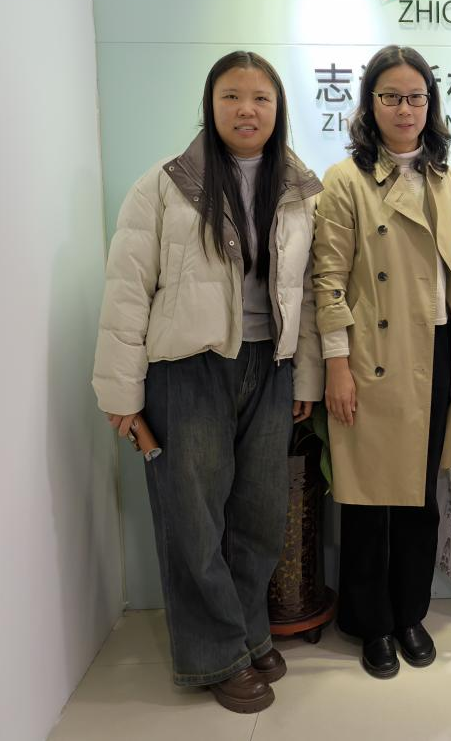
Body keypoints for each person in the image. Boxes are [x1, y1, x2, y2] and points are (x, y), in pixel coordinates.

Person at [92, 51, 323, 713]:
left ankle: (248, 634)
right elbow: (127, 289)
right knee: (193, 518)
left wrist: (304, 375)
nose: (246, 109)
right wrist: (121, 395)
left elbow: (306, 293)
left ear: (278, 110)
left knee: (259, 514)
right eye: (231, 96)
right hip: (187, 369)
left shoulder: (298, 190)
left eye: (260, 98)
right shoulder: (165, 185)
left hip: (269, 366)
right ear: (210, 104)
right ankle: (215, 654)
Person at [312, 45, 451, 679]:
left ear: (430, 104)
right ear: (370, 104)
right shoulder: (345, 179)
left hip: (436, 348)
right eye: (391, 97)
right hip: (373, 354)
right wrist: (336, 366)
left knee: (419, 494)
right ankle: (370, 621)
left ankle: (410, 614)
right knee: (367, 498)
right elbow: (328, 281)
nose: (405, 109)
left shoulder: (445, 178)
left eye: (415, 97)